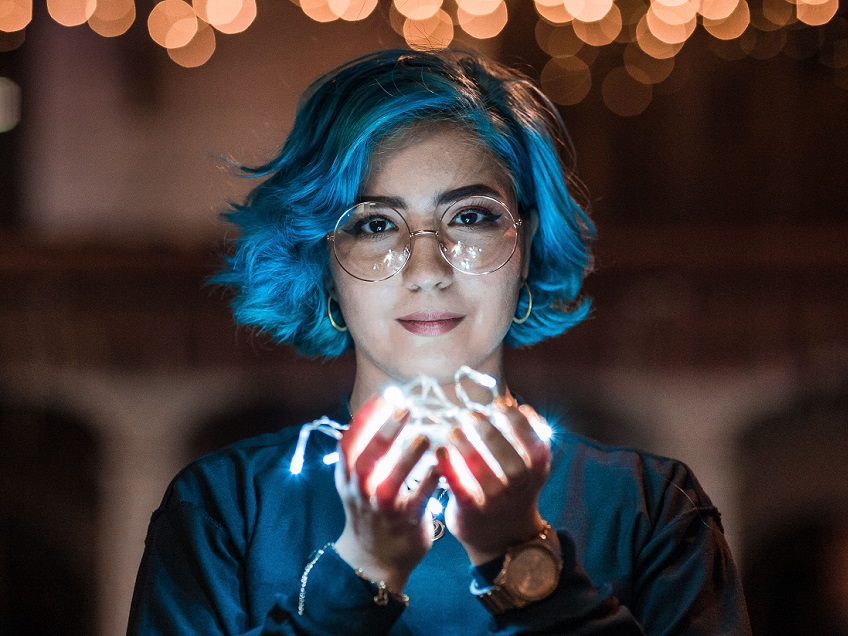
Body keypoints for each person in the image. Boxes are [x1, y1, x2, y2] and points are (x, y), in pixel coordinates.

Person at [128, 49, 751, 634]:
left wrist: (523, 561)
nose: (427, 267)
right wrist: (359, 575)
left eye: (471, 217)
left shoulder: (650, 510)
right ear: (325, 262)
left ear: (526, 244)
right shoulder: (224, 510)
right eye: (375, 224)